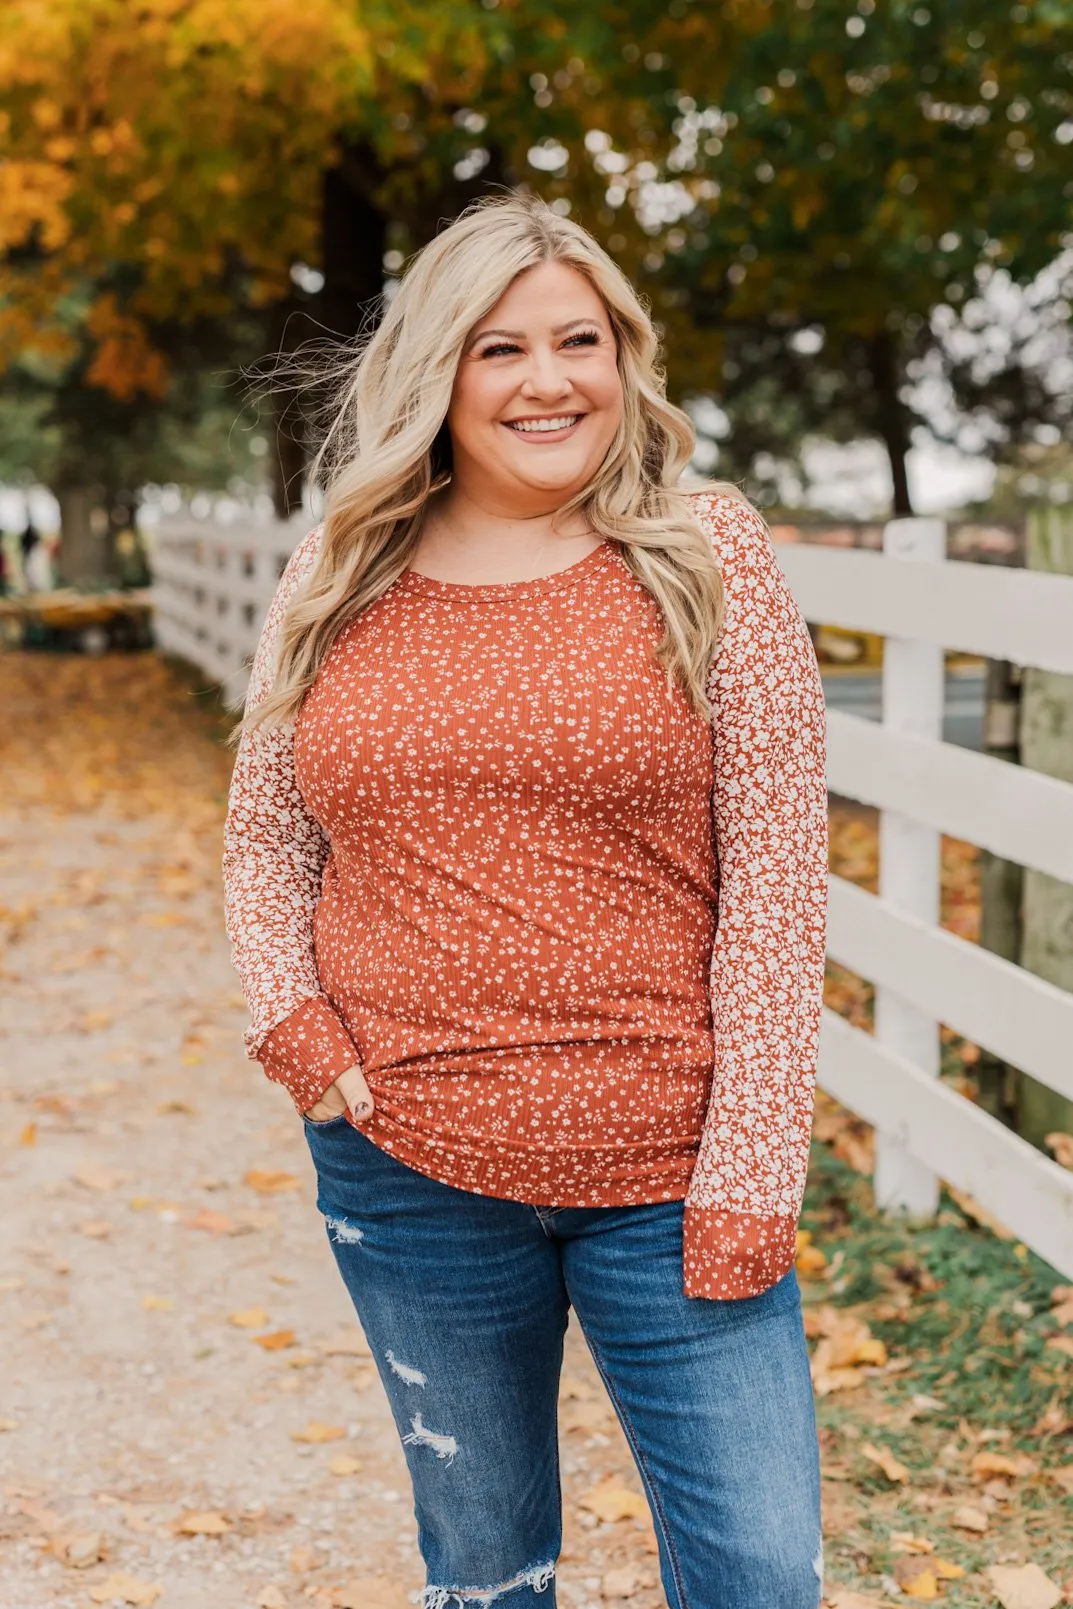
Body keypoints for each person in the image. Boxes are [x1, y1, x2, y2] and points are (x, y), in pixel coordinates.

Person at [223, 193, 828, 1609]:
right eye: (502, 348)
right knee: (487, 1576)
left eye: (580, 340)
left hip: (668, 1176)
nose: (549, 379)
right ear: (439, 372)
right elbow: (265, 838)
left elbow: (781, 888)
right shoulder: (341, 569)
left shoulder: (703, 550)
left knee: (757, 1577)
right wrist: (292, 1028)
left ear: (625, 356)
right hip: (408, 1163)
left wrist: (750, 1170)